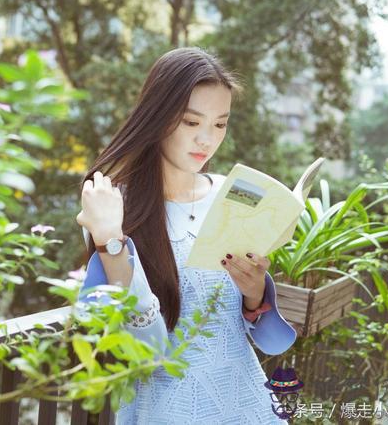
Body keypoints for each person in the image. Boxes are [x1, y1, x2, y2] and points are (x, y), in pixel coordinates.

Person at [75, 47, 296, 424]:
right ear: (158, 117)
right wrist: (111, 241)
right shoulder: (113, 207)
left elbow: (274, 341)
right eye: (191, 123)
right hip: (163, 412)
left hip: (246, 407)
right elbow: (146, 352)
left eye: (220, 124)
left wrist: (255, 293)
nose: (206, 140)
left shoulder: (233, 195)